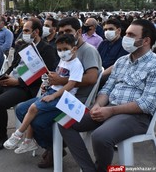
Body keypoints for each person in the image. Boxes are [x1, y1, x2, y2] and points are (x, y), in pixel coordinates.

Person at [59, 19, 156, 172]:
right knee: (64, 121)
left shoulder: (154, 65)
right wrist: (98, 105)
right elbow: (107, 89)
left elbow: (147, 104)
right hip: (108, 108)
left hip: (135, 116)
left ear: (146, 40)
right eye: (127, 33)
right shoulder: (121, 62)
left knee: (100, 136)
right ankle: (89, 168)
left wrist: (110, 111)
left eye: (131, 35)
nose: (126, 37)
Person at [15, 16, 102, 168]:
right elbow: (60, 73)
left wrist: (61, 81)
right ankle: (52, 146)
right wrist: (49, 80)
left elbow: (92, 78)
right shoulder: (64, 48)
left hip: (76, 101)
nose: (63, 34)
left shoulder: (88, 50)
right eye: (61, 31)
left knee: (38, 121)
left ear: (79, 32)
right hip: (57, 94)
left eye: (68, 31)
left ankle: (52, 148)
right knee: (21, 110)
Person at [0, 17, 58, 151]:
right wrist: (5, 76)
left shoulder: (46, 49)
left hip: (26, 87)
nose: (24, 33)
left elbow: (45, 75)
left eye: (27, 30)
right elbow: (14, 65)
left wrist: (18, 81)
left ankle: (0, 137)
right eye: (23, 30)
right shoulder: (24, 46)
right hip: (10, 82)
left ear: (36, 32)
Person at [4, 34, 83, 154]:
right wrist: (47, 84)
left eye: (65, 49)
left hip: (64, 98)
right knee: (24, 110)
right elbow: (57, 78)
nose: (62, 52)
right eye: (59, 50)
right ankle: (28, 141)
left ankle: (18, 134)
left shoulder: (76, 64)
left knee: (34, 108)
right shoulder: (63, 61)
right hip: (52, 91)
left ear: (74, 49)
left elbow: (71, 84)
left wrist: (53, 96)